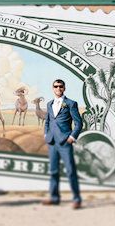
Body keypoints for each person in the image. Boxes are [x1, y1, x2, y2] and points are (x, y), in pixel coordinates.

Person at [42, 79, 83, 209]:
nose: (58, 88)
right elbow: (47, 121)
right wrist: (46, 134)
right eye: (56, 86)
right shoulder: (49, 104)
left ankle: (76, 199)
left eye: (61, 86)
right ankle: (54, 198)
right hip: (52, 142)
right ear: (52, 88)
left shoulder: (71, 104)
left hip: (65, 142)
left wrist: (72, 137)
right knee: (53, 171)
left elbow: (78, 123)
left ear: (64, 88)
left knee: (70, 170)